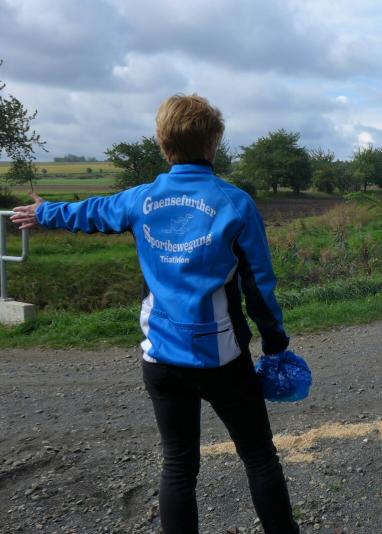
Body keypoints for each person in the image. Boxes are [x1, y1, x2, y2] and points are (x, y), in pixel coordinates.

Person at [11, 94, 299, 534]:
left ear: (164, 145)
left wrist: (45, 212)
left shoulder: (141, 199)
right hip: (222, 359)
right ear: (214, 143)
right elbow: (259, 285)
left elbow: (93, 212)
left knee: (179, 466)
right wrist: (275, 343)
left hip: (161, 359)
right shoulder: (235, 203)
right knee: (259, 457)